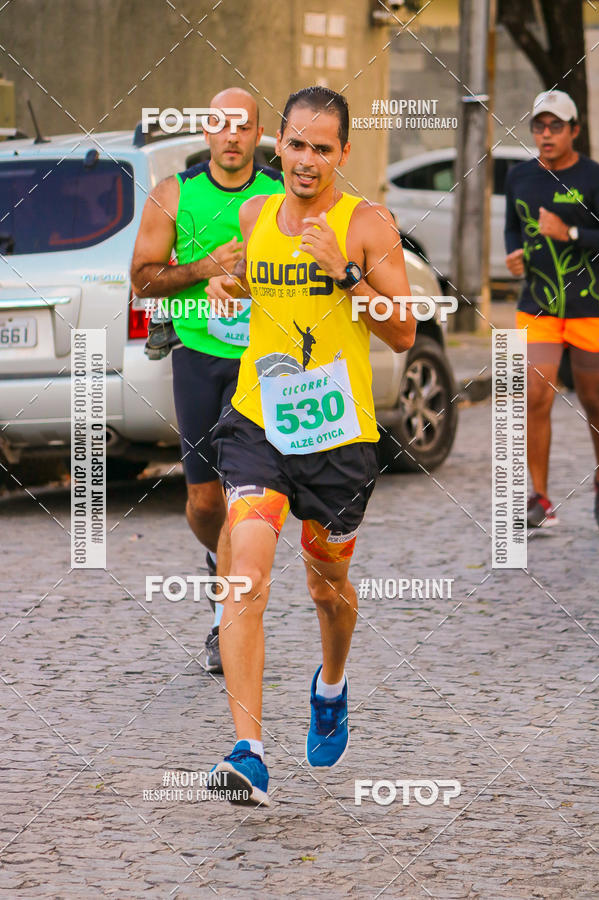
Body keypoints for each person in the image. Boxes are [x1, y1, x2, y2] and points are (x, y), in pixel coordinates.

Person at [206, 86, 416, 806]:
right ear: (280, 146)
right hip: (258, 422)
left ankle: (331, 684)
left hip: (337, 437)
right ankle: (249, 751)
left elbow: (404, 331)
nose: (306, 159)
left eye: (323, 148)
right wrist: (227, 289)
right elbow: (247, 283)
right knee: (246, 576)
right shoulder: (254, 212)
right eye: (296, 144)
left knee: (327, 590)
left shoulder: (367, 223)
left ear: (343, 154)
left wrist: (346, 273)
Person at [130, 88, 284, 671]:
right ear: (206, 133)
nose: (231, 136)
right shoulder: (176, 194)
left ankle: (225, 621)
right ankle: (221, 565)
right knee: (202, 501)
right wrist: (207, 268)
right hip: (197, 354)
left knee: (243, 491)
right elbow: (143, 279)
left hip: (260, 359)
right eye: (220, 124)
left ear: (256, 133)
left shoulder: (277, 195)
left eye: (242, 125)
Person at [505, 90, 599, 530]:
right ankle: (540, 498)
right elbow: (513, 228)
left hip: (589, 308)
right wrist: (513, 254)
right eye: (539, 126)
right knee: (535, 397)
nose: (545, 134)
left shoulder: (593, 177)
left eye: (555, 126)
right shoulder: (520, 177)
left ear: (574, 131)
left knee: (594, 401)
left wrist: (571, 232)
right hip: (538, 306)